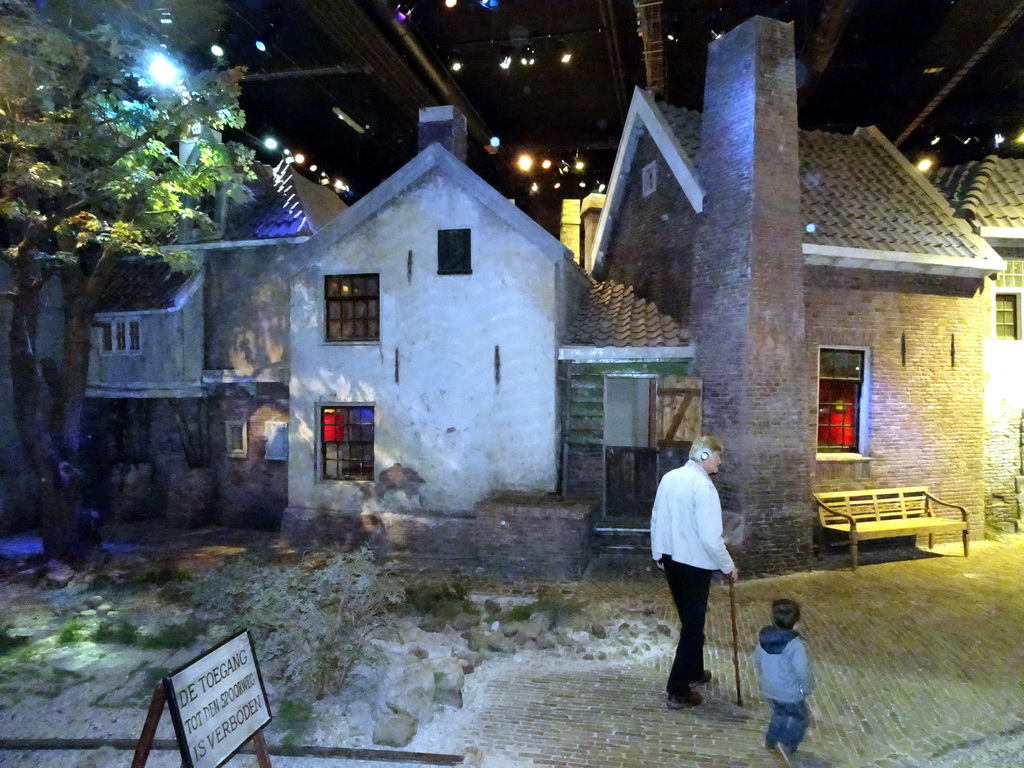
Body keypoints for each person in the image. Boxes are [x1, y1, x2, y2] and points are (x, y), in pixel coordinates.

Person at [650, 435, 738, 708]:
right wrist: (728, 566)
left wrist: (658, 554)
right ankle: (677, 689)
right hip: (695, 565)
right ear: (703, 456)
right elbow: (711, 539)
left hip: (673, 561)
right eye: (717, 455)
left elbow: (657, 518)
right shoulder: (704, 488)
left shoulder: (670, 478)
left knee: (691, 620)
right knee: (692, 626)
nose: (720, 461)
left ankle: (694, 671)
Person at [752, 598, 815, 766]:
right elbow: (802, 670)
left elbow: (756, 660)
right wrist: (806, 688)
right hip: (790, 692)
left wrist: (765, 676)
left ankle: (771, 742)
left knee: (779, 714)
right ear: (796, 624)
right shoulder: (795, 646)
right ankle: (785, 745)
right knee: (800, 719)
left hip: (770, 689)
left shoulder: (763, 640)